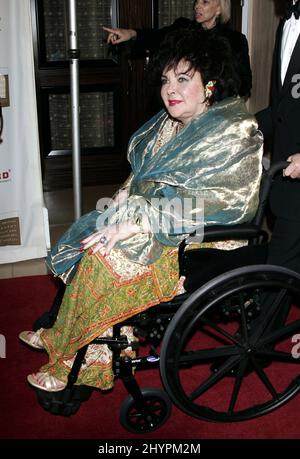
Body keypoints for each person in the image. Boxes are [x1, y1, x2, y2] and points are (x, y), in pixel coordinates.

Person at [19, 30, 263, 392]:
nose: (170, 90)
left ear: (210, 84)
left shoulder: (233, 131)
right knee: (93, 240)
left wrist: (139, 222)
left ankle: (81, 363)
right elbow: (140, 178)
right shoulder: (169, 123)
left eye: (183, 79)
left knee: (108, 259)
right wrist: (122, 201)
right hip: (155, 218)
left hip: (201, 233)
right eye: (166, 80)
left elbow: (220, 203)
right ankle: (62, 336)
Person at [103, 0, 252, 98]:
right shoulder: (183, 29)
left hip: (216, 116)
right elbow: (157, 37)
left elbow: (244, 83)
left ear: (219, 9)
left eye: (205, 2)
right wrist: (130, 33)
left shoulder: (234, 41)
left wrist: (217, 99)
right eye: (197, 1)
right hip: (181, 107)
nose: (197, 6)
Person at [256, 0, 300, 272]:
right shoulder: (286, 23)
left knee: (277, 273)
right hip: (287, 178)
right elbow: (282, 109)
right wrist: (241, 128)